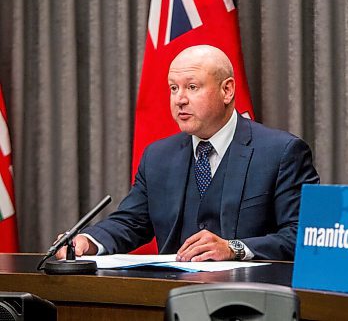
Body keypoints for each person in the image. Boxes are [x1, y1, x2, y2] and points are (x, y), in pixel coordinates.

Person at [55, 45, 319, 262]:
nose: (179, 99)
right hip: (170, 296)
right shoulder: (158, 156)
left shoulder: (282, 152)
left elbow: (301, 235)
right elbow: (132, 222)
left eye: (192, 87)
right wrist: (87, 241)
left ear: (227, 90)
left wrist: (234, 248)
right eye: (173, 88)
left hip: (251, 298)